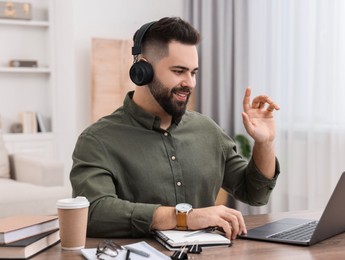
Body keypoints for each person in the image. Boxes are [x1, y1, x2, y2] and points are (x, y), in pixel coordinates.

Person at [70, 17, 280, 240]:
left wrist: (264, 143)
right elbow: (92, 213)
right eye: (179, 71)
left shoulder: (207, 130)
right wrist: (184, 218)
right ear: (143, 69)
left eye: (193, 72)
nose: (190, 83)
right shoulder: (97, 140)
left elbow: (255, 193)